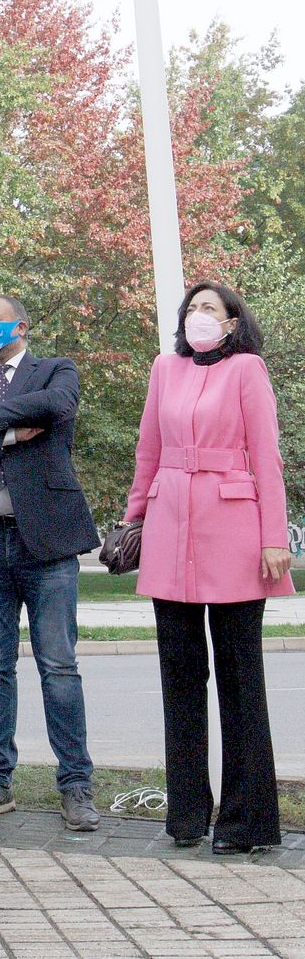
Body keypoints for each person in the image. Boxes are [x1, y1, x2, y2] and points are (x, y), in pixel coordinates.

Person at [122, 281, 288, 854]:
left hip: (237, 534)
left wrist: (274, 537)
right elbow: (147, 450)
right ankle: (188, 815)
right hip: (170, 532)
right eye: (191, 308)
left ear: (232, 322)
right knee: (180, 681)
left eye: (208, 308)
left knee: (243, 682)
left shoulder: (248, 370)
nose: (197, 316)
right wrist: (133, 520)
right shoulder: (164, 368)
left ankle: (246, 822)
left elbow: (266, 455)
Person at [0, 294, 101, 830]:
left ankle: (76, 785)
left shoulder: (56, 369)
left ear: (21, 325)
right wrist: (4, 428)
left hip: (47, 542)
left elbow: (57, 408)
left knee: (59, 666)